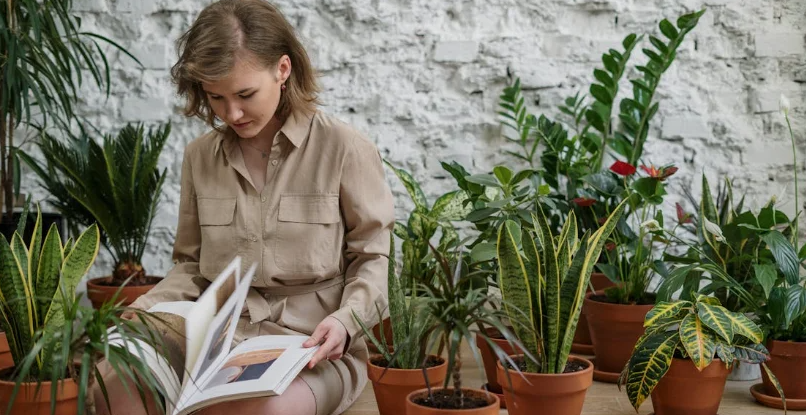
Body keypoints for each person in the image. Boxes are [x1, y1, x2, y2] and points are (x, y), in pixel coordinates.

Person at [93, 1, 394, 414]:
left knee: (254, 411)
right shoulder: (200, 156)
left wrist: (346, 321)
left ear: (282, 70)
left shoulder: (344, 149)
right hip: (215, 339)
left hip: (310, 347)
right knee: (114, 382)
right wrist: (142, 311)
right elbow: (190, 266)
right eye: (215, 97)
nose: (230, 113)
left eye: (245, 94)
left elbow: (373, 257)